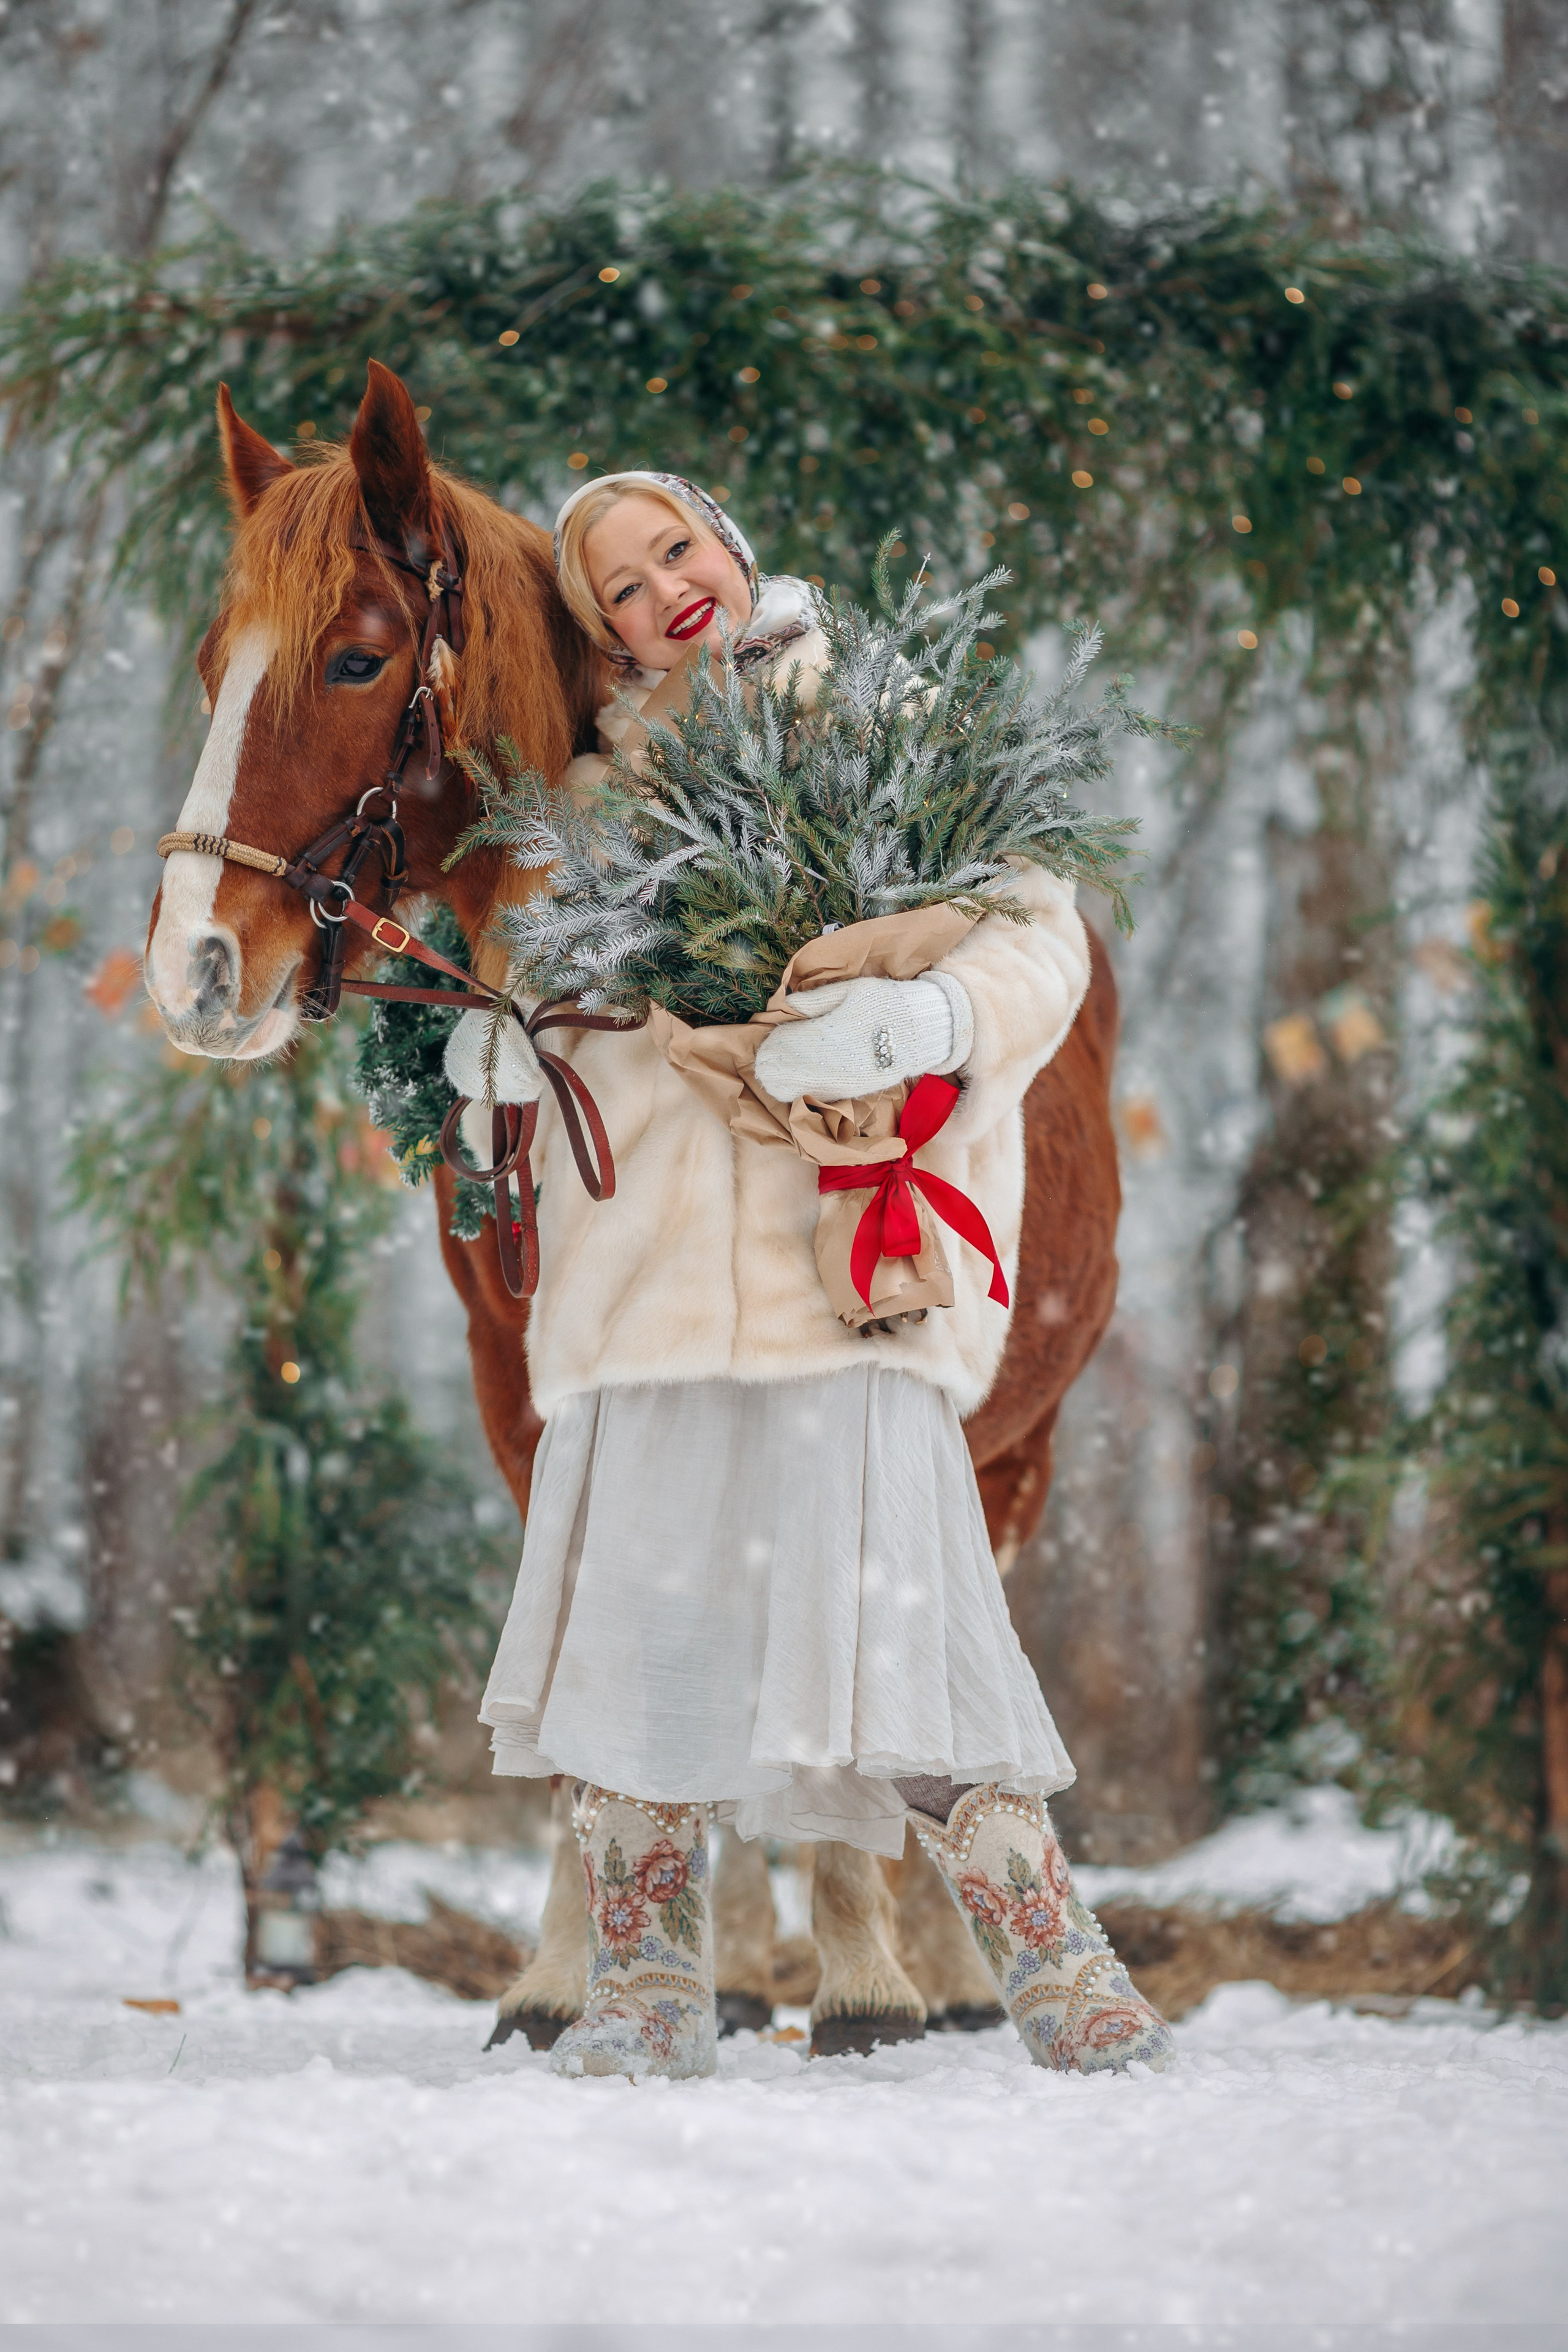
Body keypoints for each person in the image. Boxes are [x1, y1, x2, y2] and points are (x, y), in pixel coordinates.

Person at [443, 472, 1175, 2081]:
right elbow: (547, 986)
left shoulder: (882, 725)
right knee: (642, 1627)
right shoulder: (591, 800)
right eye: (622, 591)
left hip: (840, 1267)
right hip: (646, 1289)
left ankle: (1060, 1968)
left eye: (679, 550)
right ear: (604, 634)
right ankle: (645, 1990)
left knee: (906, 1617)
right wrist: (507, 1048)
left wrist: (929, 1022)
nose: (666, 594)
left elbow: (1035, 935)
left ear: (734, 542)